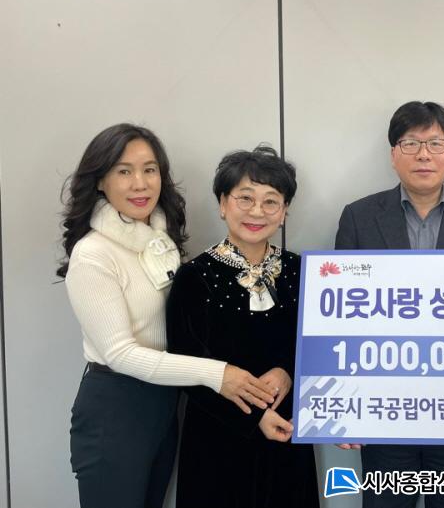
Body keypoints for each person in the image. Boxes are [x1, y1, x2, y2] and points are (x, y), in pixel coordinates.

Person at [60, 124, 279, 508]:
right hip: (117, 406)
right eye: (124, 171)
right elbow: (120, 353)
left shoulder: (161, 243)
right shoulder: (93, 254)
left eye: (150, 170)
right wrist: (218, 374)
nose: (140, 183)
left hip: (163, 404)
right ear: (100, 181)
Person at [335, 101, 444, 508]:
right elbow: (342, 319)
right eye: (411, 143)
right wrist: (345, 409)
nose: (424, 154)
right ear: (393, 154)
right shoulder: (359, 218)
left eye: (435, 143)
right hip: (382, 412)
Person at [166, 145, 319, 508]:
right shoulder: (193, 276)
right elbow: (184, 363)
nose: (257, 211)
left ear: (284, 211)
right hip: (216, 436)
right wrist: (254, 419)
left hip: (286, 428)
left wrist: (288, 372)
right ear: (223, 203)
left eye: (271, 201)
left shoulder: (303, 272)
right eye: (245, 198)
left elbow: (318, 346)